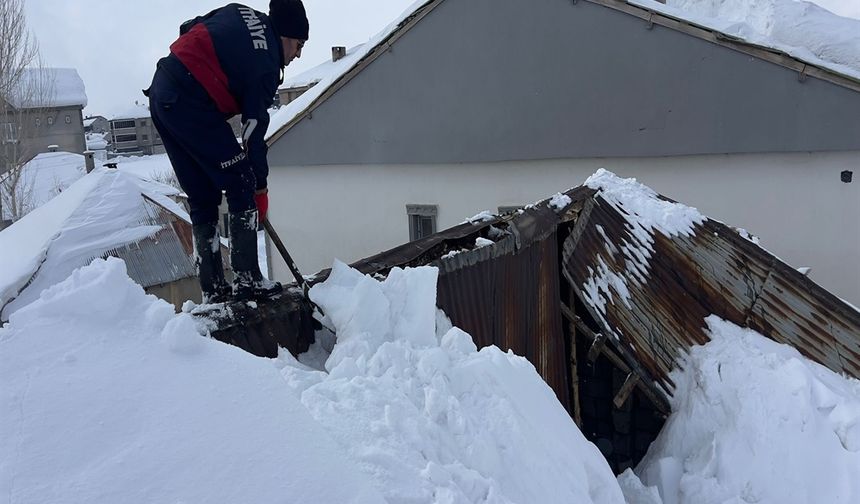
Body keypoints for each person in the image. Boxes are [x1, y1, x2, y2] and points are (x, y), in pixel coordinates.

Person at [146, 1, 309, 302]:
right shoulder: (266, 65)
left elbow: (188, 28)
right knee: (241, 180)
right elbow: (253, 133)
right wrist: (259, 188)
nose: (298, 54)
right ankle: (248, 281)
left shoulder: (239, 12)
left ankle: (213, 290)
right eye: (299, 45)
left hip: (162, 92)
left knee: (202, 194)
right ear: (285, 36)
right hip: (190, 101)